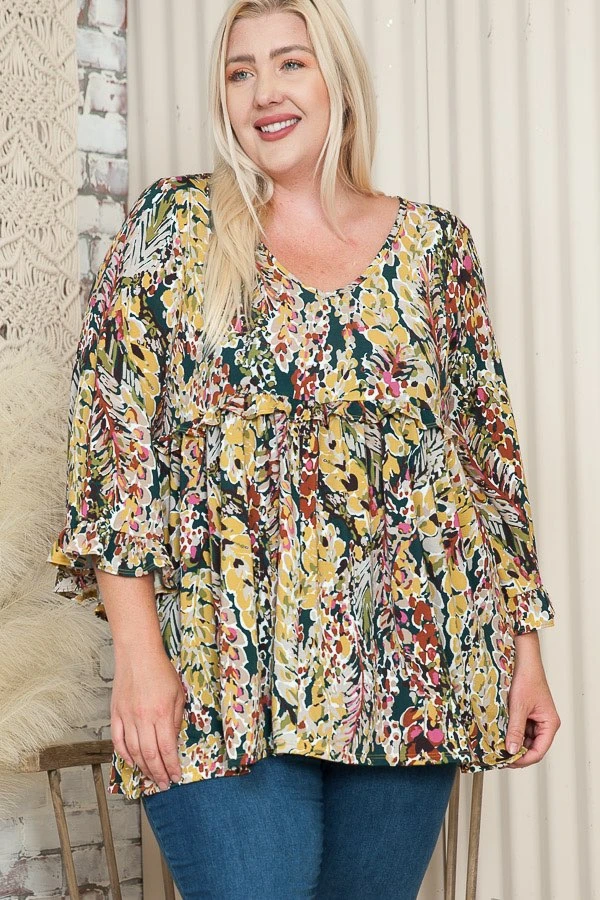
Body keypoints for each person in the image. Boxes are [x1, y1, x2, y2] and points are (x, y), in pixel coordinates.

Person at [47, 0, 561, 897]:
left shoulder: (436, 249)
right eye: (240, 71)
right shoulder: (174, 229)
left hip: (409, 665)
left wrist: (526, 655)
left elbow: (487, 464)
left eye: (291, 62)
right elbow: (113, 448)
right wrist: (138, 658)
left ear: (339, 82)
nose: (264, 93)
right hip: (221, 670)